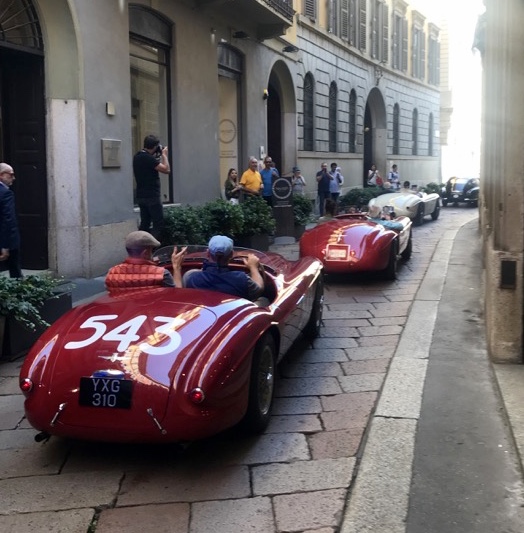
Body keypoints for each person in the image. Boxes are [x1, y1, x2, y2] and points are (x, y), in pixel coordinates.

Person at [183, 235, 264, 301]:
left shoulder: (191, 277)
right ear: (231, 254)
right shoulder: (241, 279)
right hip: (232, 318)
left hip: (204, 318)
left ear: (208, 253)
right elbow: (259, 289)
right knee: (263, 300)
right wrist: (253, 268)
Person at [105, 230, 186, 290]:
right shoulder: (161, 274)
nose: (152, 253)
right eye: (151, 250)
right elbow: (176, 294)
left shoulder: (111, 273)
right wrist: (176, 267)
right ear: (146, 253)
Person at [133, 134, 171, 240]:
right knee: (158, 225)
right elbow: (166, 170)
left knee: (145, 223)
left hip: (141, 195)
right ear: (154, 147)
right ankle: (150, 249)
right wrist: (164, 155)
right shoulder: (148, 158)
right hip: (152, 196)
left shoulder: (137, 156)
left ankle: (139, 249)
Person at [0, 163, 22, 278]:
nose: (13, 178)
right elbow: (8, 220)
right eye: (11, 175)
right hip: (8, 241)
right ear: (1, 175)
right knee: (15, 273)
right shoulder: (6, 193)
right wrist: (5, 246)